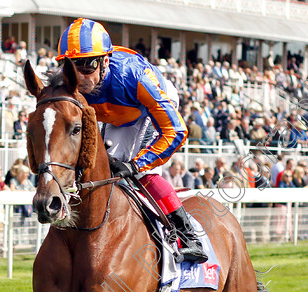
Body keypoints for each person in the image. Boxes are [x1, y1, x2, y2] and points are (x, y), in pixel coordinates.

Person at [55, 18, 205, 262]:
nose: (80, 77)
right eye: (71, 67)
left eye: (87, 66)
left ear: (104, 61)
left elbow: (176, 131)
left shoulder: (134, 77)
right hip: (116, 116)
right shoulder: (68, 82)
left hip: (147, 109)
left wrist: (136, 164)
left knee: (136, 172)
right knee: (101, 169)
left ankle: (187, 235)